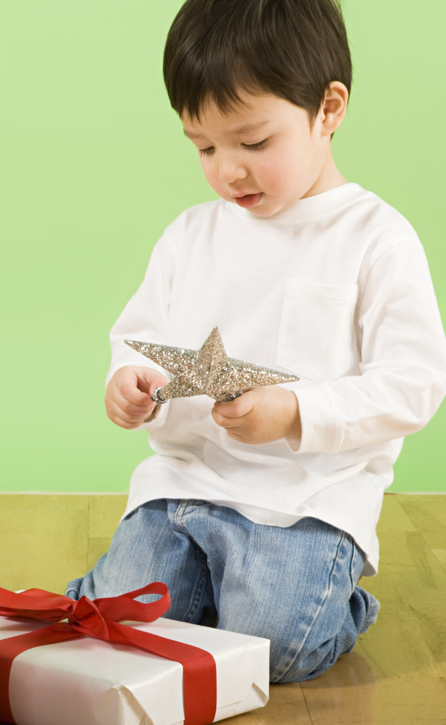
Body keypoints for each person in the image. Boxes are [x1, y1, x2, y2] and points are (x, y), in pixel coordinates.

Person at [68, 0, 446, 683]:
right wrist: (128, 383)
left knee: (276, 649)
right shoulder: (191, 235)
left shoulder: (376, 239)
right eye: (204, 147)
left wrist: (296, 412)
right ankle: (168, 593)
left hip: (304, 504)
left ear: (328, 110)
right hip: (184, 487)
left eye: (253, 142)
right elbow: (141, 336)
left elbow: (415, 383)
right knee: (121, 630)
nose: (227, 171)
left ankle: (339, 603)